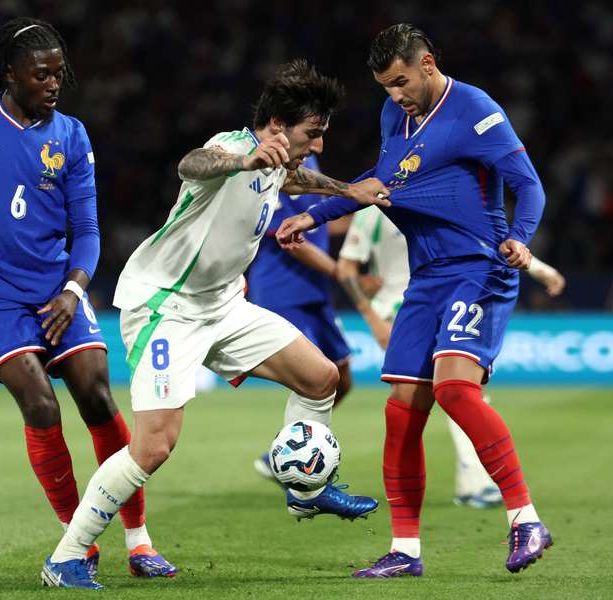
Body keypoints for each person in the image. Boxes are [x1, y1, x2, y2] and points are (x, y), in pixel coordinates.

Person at [44, 59, 391, 589]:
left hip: (223, 305)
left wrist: (349, 191)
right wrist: (243, 160)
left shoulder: (277, 161)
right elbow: (192, 164)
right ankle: (66, 558)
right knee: (155, 444)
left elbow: (294, 179)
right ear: (277, 124)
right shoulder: (231, 147)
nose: (317, 144)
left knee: (321, 378)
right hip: (168, 306)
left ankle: (305, 488)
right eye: (312, 133)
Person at [0, 17, 175, 584]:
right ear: (11, 73)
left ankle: (139, 538)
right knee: (41, 405)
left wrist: (75, 289)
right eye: (42, 74)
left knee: (98, 395)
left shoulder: (71, 135)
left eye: (60, 73)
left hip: (58, 290)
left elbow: (89, 229)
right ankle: (79, 543)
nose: (55, 83)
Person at [277, 24, 553, 576]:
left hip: (479, 266)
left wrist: (520, 236)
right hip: (426, 279)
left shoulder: (475, 109)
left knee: (454, 389)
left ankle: (525, 519)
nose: (395, 95)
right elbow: (379, 182)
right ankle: (405, 551)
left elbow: (529, 184)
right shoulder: (393, 115)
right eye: (385, 87)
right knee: (402, 409)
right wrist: (313, 213)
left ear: (427, 63)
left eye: (401, 82)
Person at [337, 206, 566, 508]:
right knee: (451, 393)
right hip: (400, 311)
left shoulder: (448, 196)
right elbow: (346, 267)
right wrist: (374, 320)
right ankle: (470, 486)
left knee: (456, 391)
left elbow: (489, 244)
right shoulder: (375, 207)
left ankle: (470, 484)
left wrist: (539, 269)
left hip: (446, 304)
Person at [246, 153, 355, 480]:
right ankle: (296, 466)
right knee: (314, 377)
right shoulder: (276, 168)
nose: (320, 145)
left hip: (314, 290)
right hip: (282, 288)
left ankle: (286, 457)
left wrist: (366, 213)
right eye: (314, 131)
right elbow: (293, 239)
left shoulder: (311, 164)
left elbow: (319, 220)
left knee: (342, 377)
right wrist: (343, 273)